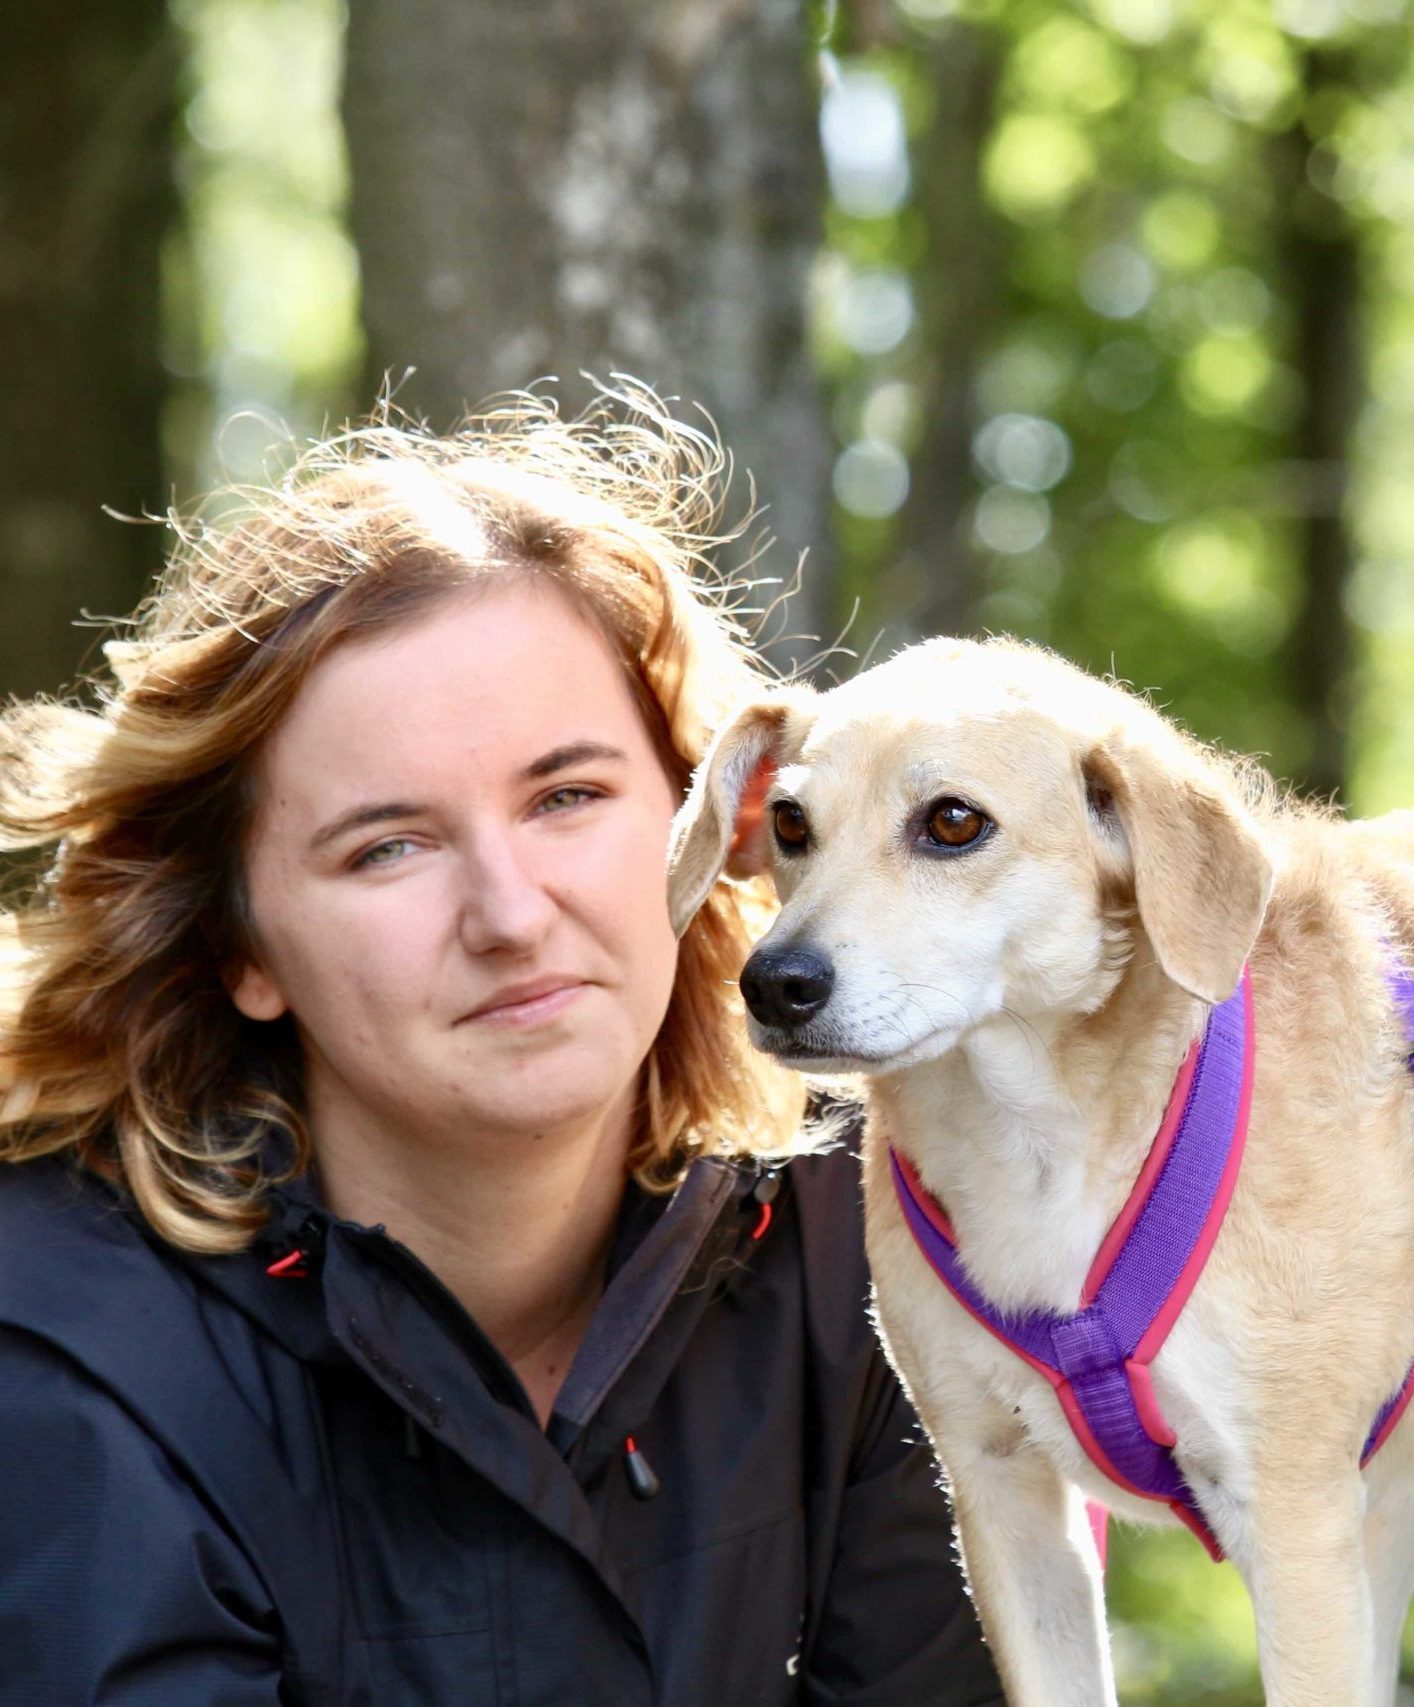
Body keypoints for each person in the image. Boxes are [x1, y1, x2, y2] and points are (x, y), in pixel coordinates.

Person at [0, 391, 1003, 1706]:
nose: (514, 915)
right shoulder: (62, 1352)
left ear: (707, 822)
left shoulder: (878, 1244)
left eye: (568, 797)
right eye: (389, 845)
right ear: (242, 949)